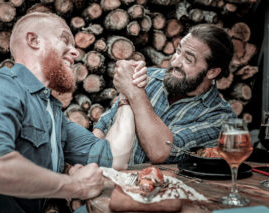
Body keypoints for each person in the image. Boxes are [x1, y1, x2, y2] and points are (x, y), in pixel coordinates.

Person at [0, 12, 147, 213]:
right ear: (33, 40)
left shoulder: (52, 112)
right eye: (65, 40)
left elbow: (114, 158)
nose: (75, 52)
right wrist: (74, 185)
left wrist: (128, 94)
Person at [93, 24, 236, 165]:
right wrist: (89, 161)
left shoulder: (219, 118)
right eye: (178, 51)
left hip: (156, 185)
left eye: (188, 59)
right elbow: (104, 124)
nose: (175, 62)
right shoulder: (149, 77)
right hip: (108, 176)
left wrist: (135, 93)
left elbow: (161, 151)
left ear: (212, 72)